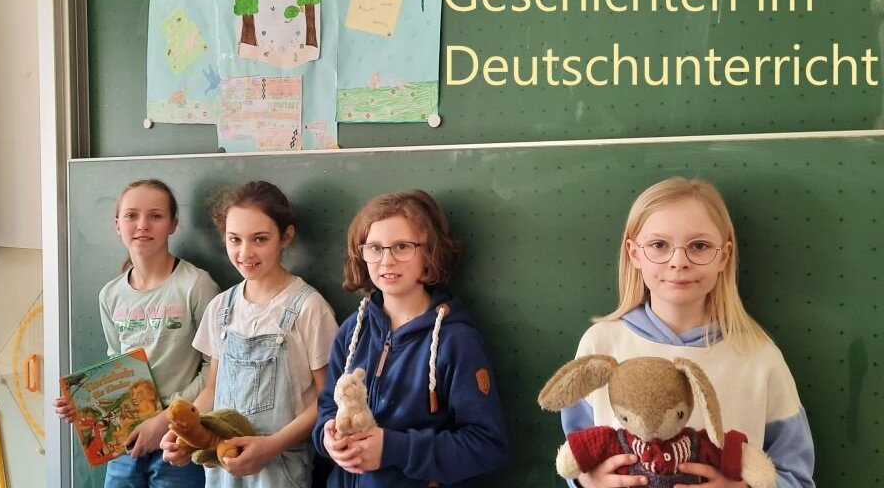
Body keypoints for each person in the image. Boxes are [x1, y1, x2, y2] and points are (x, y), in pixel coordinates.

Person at [561, 177, 815, 488]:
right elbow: (576, 461)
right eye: (659, 245)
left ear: (724, 256)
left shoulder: (760, 357)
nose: (679, 261)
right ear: (633, 253)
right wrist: (587, 482)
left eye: (699, 246)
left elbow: (797, 476)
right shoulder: (600, 344)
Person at [314, 190, 508, 487]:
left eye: (402, 247)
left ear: (429, 253)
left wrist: (394, 449)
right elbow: (329, 405)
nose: (386, 260)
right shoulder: (353, 330)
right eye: (375, 248)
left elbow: (486, 445)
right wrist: (326, 437)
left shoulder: (456, 341)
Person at [160, 180, 339, 488]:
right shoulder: (220, 307)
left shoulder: (309, 308)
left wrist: (273, 445)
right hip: (222, 471)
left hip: (281, 471)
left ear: (286, 237)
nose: (245, 252)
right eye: (235, 239)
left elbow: (329, 397)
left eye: (260, 239)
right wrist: (182, 435)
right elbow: (213, 389)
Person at [54, 178, 220, 487]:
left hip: (178, 436)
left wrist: (165, 419)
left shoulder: (196, 285)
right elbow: (118, 366)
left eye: (155, 216)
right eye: (131, 215)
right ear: (117, 225)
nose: (142, 225)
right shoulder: (110, 295)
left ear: (173, 224)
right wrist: (86, 403)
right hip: (125, 438)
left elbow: (217, 370)